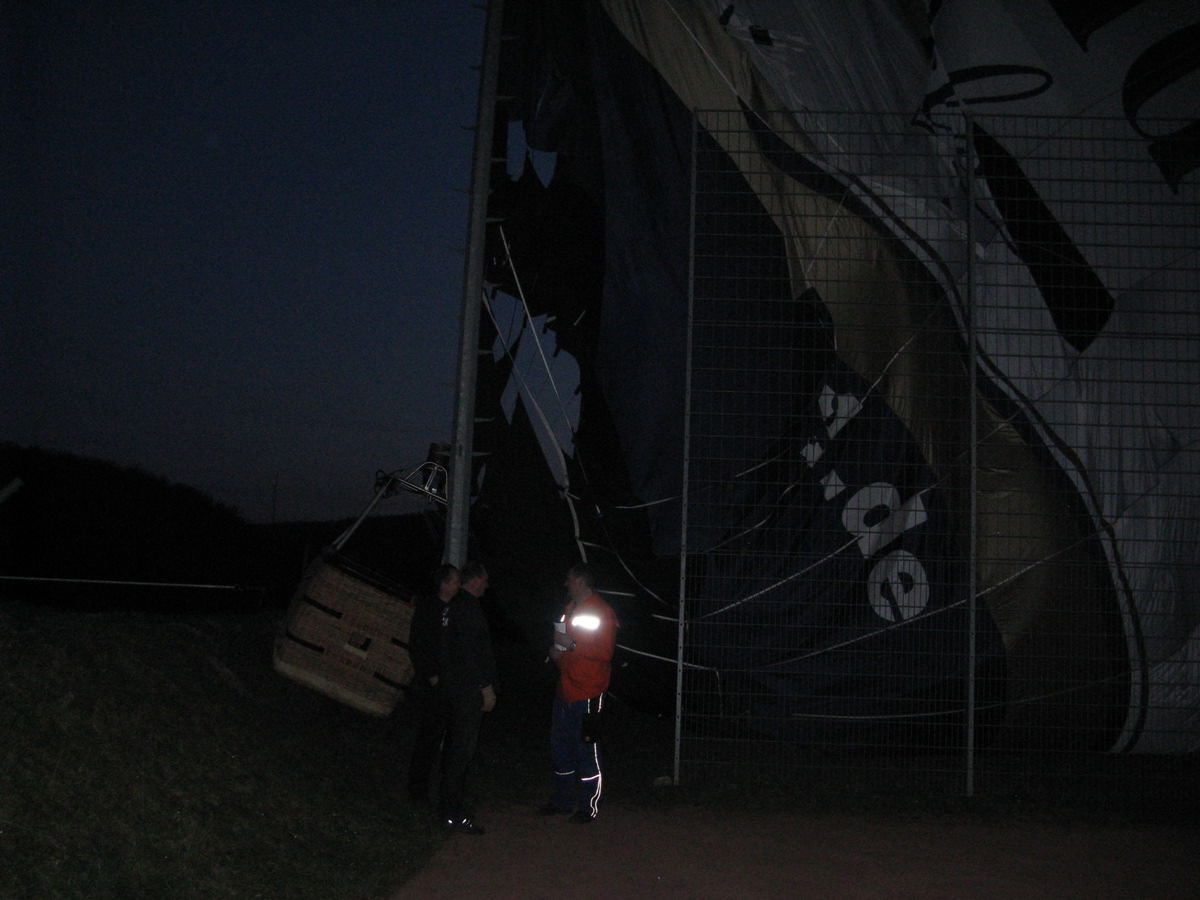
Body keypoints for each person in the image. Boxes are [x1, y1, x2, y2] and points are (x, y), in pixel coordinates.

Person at [539, 563, 618, 823]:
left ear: (582, 581)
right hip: (565, 690)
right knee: (561, 747)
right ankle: (561, 800)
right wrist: (557, 654)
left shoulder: (602, 612)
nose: (566, 584)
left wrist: (571, 645)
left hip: (590, 692)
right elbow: (566, 650)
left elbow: (605, 653)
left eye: (570, 580)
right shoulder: (569, 611)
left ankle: (588, 806)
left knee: (587, 749)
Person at [434, 560, 497, 835]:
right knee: (461, 751)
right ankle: (453, 813)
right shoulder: (467, 608)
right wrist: (485, 686)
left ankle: (448, 807)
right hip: (466, 692)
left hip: (453, 689)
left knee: (454, 750)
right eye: (484, 580)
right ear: (475, 581)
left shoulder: (454, 606)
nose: (486, 585)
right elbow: (472, 653)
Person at [406, 563, 459, 812]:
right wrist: (431, 676)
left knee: (448, 739)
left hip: (451, 684)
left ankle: (445, 792)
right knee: (428, 739)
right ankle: (417, 792)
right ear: (444, 583)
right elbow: (418, 645)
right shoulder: (428, 609)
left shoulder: (455, 609)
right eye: (455, 581)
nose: (458, 585)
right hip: (433, 686)